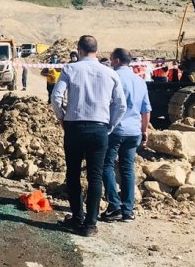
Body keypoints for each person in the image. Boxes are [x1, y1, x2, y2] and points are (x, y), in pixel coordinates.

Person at [51, 35, 127, 237]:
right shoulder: (110, 73)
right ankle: (91, 225)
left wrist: (62, 118)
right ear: (96, 50)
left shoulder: (70, 69)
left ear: (79, 50)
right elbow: (121, 105)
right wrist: (109, 125)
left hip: (74, 128)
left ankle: (77, 217)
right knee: (95, 176)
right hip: (99, 129)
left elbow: (56, 97)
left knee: (73, 174)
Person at [100, 48, 151, 223]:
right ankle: (128, 210)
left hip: (115, 130)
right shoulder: (140, 81)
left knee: (106, 165)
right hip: (134, 131)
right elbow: (146, 110)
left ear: (115, 60)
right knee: (127, 169)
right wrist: (144, 131)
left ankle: (114, 205)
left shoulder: (113, 78)